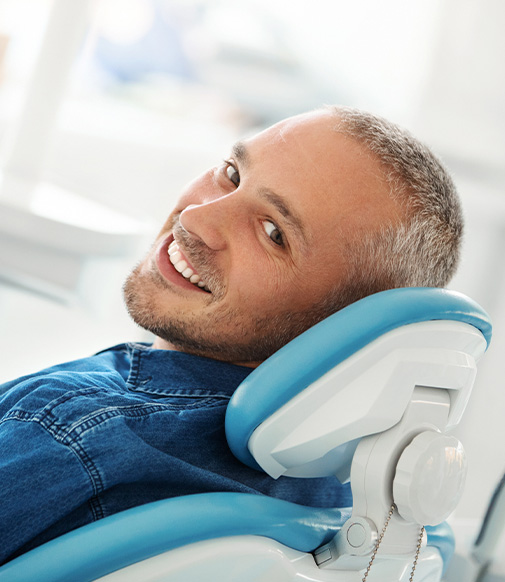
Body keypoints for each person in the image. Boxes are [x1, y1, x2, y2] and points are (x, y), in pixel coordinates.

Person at [0, 105, 462, 565]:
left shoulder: (68, 428)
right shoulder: (367, 508)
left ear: (339, 325)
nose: (199, 217)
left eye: (272, 232)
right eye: (231, 172)